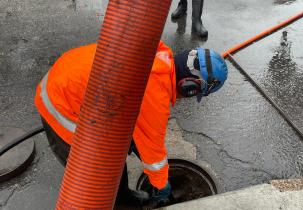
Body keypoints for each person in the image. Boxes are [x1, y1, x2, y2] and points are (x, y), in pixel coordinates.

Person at [34, 41, 228, 207]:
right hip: (62, 107)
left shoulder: (160, 57)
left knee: (117, 155)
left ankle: (122, 195)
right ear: (190, 87)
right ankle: (112, 202)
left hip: (65, 80)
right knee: (98, 172)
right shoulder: (155, 95)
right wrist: (162, 186)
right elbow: (154, 155)